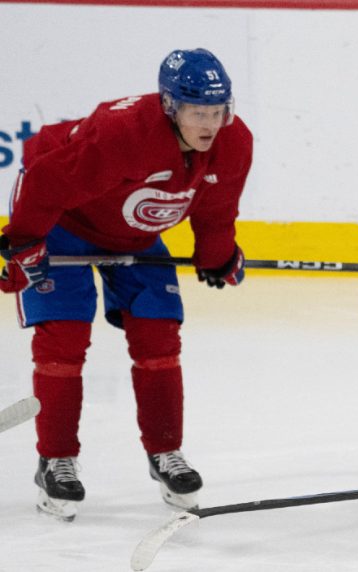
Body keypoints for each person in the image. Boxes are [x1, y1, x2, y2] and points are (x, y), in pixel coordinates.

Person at [0, 48, 253, 521]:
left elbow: (217, 211)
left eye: (218, 112)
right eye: (198, 112)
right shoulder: (124, 136)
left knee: (159, 334)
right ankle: (56, 461)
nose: (209, 124)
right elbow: (46, 183)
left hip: (133, 234)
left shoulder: (235, 143)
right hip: (62, 222)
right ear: (170, 106)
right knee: (65, 338)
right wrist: (22, 242)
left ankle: (165, 454)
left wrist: (218, 259)